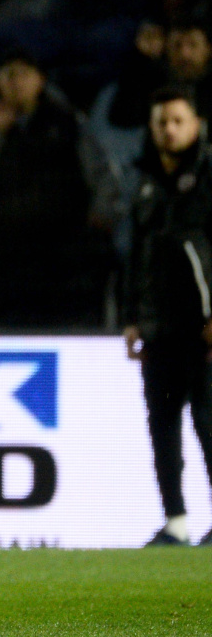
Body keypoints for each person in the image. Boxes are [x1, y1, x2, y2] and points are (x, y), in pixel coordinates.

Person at [0, 48, 119, 328]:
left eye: (23, 74)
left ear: (40, 80)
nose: (15, 81)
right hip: (5, 252)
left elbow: (102, 174)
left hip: (62, 251)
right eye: (8, 74)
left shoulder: (68, 121)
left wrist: (102, 214)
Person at [122, 84, 212, 547]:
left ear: (196, 124)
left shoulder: (208, 174)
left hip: (204, 329)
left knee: (209, 424)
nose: (170, 130)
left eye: (178, 121)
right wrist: (131, 315)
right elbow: (135, 254)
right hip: (160, 328)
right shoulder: (144, 179)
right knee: (163, 428)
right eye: (162, 122)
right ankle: (175, 521)